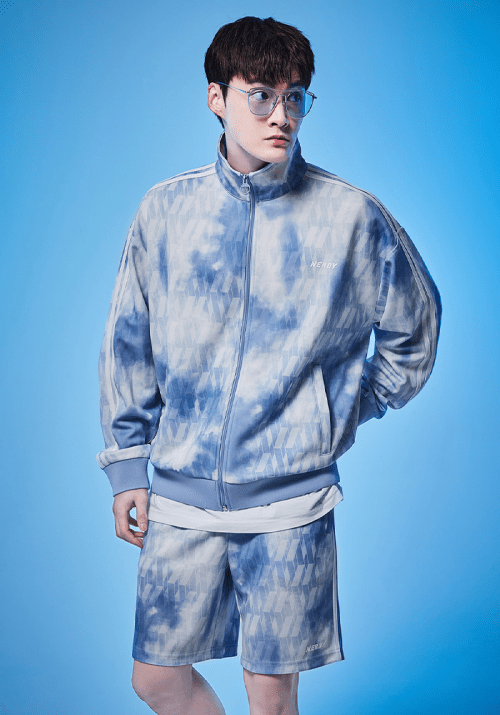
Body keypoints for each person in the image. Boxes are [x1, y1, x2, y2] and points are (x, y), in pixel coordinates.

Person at [97, 16, 441, 715]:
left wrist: (338, 411)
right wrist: (128, 463)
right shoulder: (165, 212)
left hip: (292, 508)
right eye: (260, 95)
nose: (281, 115)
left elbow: (416, 332)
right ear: (216, 98)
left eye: (294, 97)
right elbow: (129, 341)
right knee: (155, 678)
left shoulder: (351, 216)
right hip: (182, 498)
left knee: (272, 698)